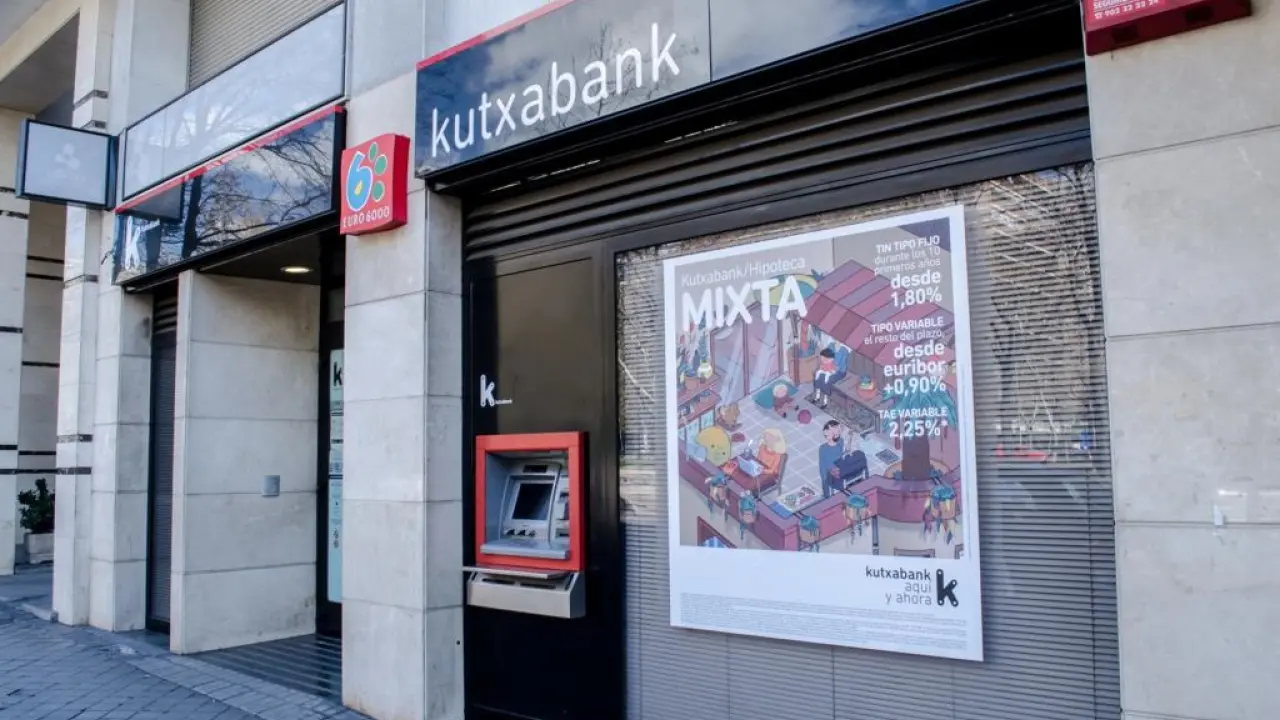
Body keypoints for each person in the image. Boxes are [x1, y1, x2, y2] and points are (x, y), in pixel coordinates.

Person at [818, 421, 845, 499]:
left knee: (825, 477)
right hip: (838, 470)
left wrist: (824, 477)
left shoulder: (823, 448)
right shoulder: (841, 441)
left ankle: (826, 496)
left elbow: (822, 466)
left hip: (832, 473)